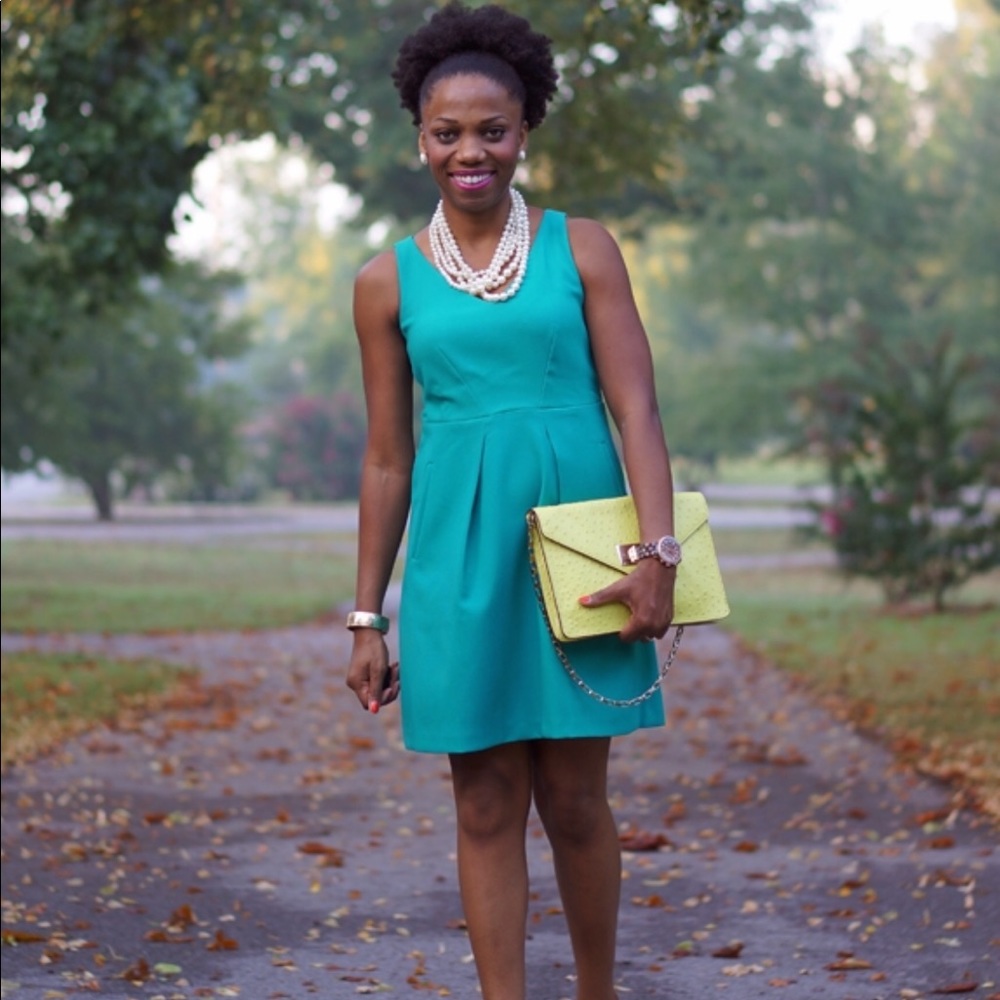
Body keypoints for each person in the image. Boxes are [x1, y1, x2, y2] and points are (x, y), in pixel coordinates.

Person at [345, 4, 679, 999]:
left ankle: (595, 988)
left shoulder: (583, 249)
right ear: (419, 139)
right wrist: (367, 614)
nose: (469, 150)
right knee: (485, 801)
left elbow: (636, 409)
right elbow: (385, 460)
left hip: (581, 556)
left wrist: (653, 554)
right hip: (457, 560)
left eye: (491, 128)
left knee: (576, 798)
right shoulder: (383, 283)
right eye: (447, 132)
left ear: (524, 127)